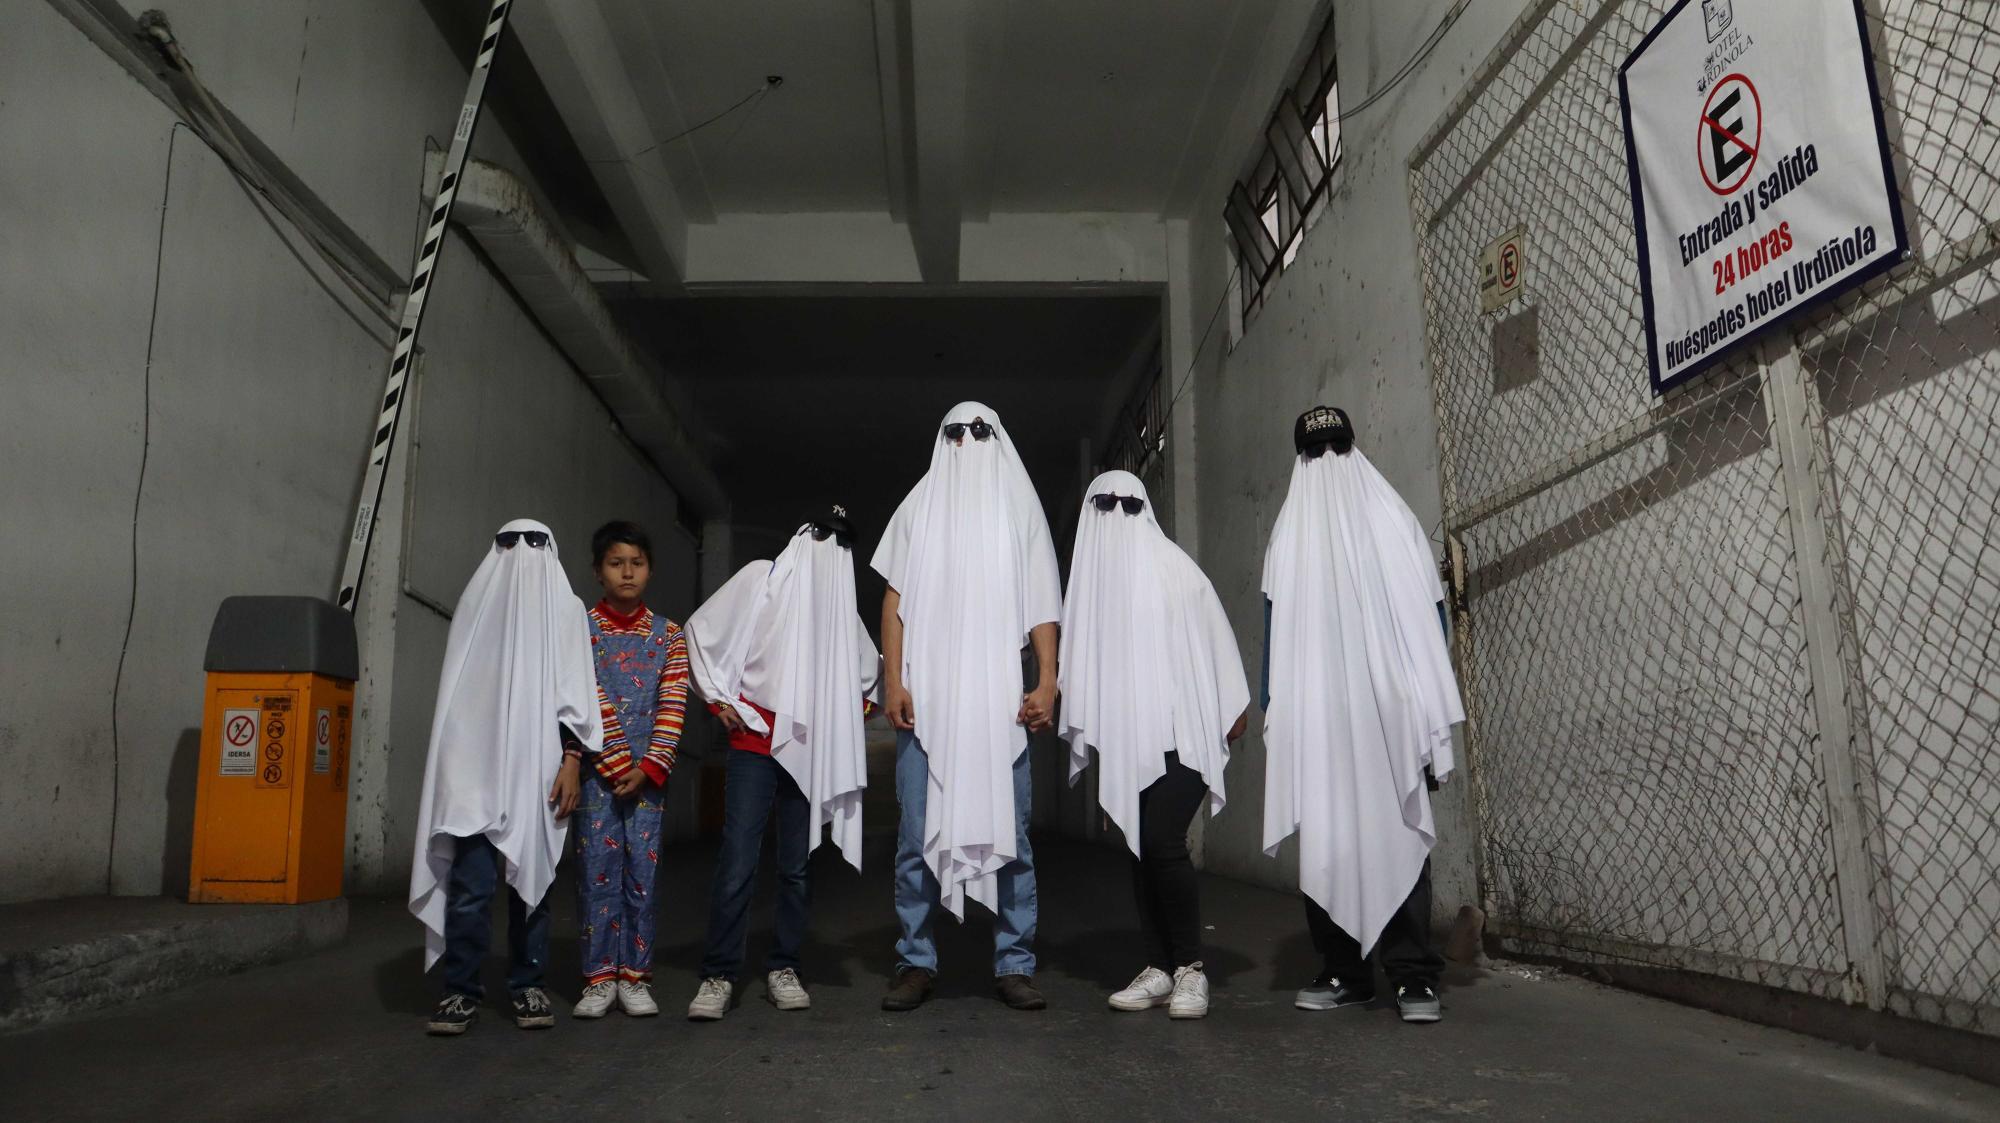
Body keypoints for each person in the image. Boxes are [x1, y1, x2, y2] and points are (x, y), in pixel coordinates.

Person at [1261, 406, 1464, 1024]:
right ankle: (1344, 971)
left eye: (1336, 448)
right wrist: (1278, 709)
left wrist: (1421, 698)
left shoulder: (1392, 520)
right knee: (1327, 832)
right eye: (1315, 453)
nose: (1327, 463)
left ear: (1353, 447)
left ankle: (1412, 974)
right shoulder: (1288, 538)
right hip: (1321, 712)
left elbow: (1431, 617)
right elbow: (1274, 633)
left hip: (1387, 713)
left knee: (1398, 826)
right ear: (1300, 460)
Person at [873, 402, 1062, 1013]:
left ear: (998, 437)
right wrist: (893, 681)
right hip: (927, 702)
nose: (966, 441)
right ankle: (915, 961)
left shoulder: (1019, 509)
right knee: (913, 836)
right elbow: (895, 602)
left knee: (1014, 836)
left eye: (980, 431)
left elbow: (1041, 602)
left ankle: (1014, 963)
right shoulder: (917, 507)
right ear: (940, 440)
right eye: (954, 431)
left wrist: (1048, 679)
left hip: (996, 702)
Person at [1058, 471, 1249, 1020]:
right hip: (1130, 740)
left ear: (1144, 506)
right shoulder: (1092, 592)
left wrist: (1227, 708)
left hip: (1183, 739)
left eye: (1128, 502)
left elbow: (1216, 639)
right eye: (1104, 503)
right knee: (1140, 849)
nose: (1116, 512)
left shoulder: (1177, 569)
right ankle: (1159, 966)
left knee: (1162, 842)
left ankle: (1190, 969)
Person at [681, 505, 882, 1021]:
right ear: (800, 534)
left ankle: (783, 966)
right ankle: (719, 973)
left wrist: (848, 713)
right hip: (753, 744)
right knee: (738, 859)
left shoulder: (839, 607)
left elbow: (868, 672)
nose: (829, 548)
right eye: (821, 534)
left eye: (839, 541)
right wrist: (720, 699)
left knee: (796, 866)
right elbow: (703, 630)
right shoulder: (760, 579)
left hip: (807, 753)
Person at [410, 519, 600, 1036]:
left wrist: (572, 762)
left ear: (551, 550)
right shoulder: (477, 607)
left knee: (532, 886)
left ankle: (526, 984)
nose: (520, 552)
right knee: (471, 885)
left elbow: (577, 697)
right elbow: (455, 700)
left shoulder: (566, 610)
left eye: (534, 542)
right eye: (508, 542)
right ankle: (459, 990)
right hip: (474, 771)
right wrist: (451, 772)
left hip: (538, 769)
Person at [569, 520, 690, 1020]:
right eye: (616, 563)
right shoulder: (579, 630)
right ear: (598, 572)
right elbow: (580, 696)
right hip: (598, 776)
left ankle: (635, 976)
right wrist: (613, 760)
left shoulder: (668, 635)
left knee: (643, 874)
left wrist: (648, 766)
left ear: (650, 570)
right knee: (596, 874)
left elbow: (674, 702)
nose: (627, 572)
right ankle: (598, 978)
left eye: (636, 563)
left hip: (648, 779)